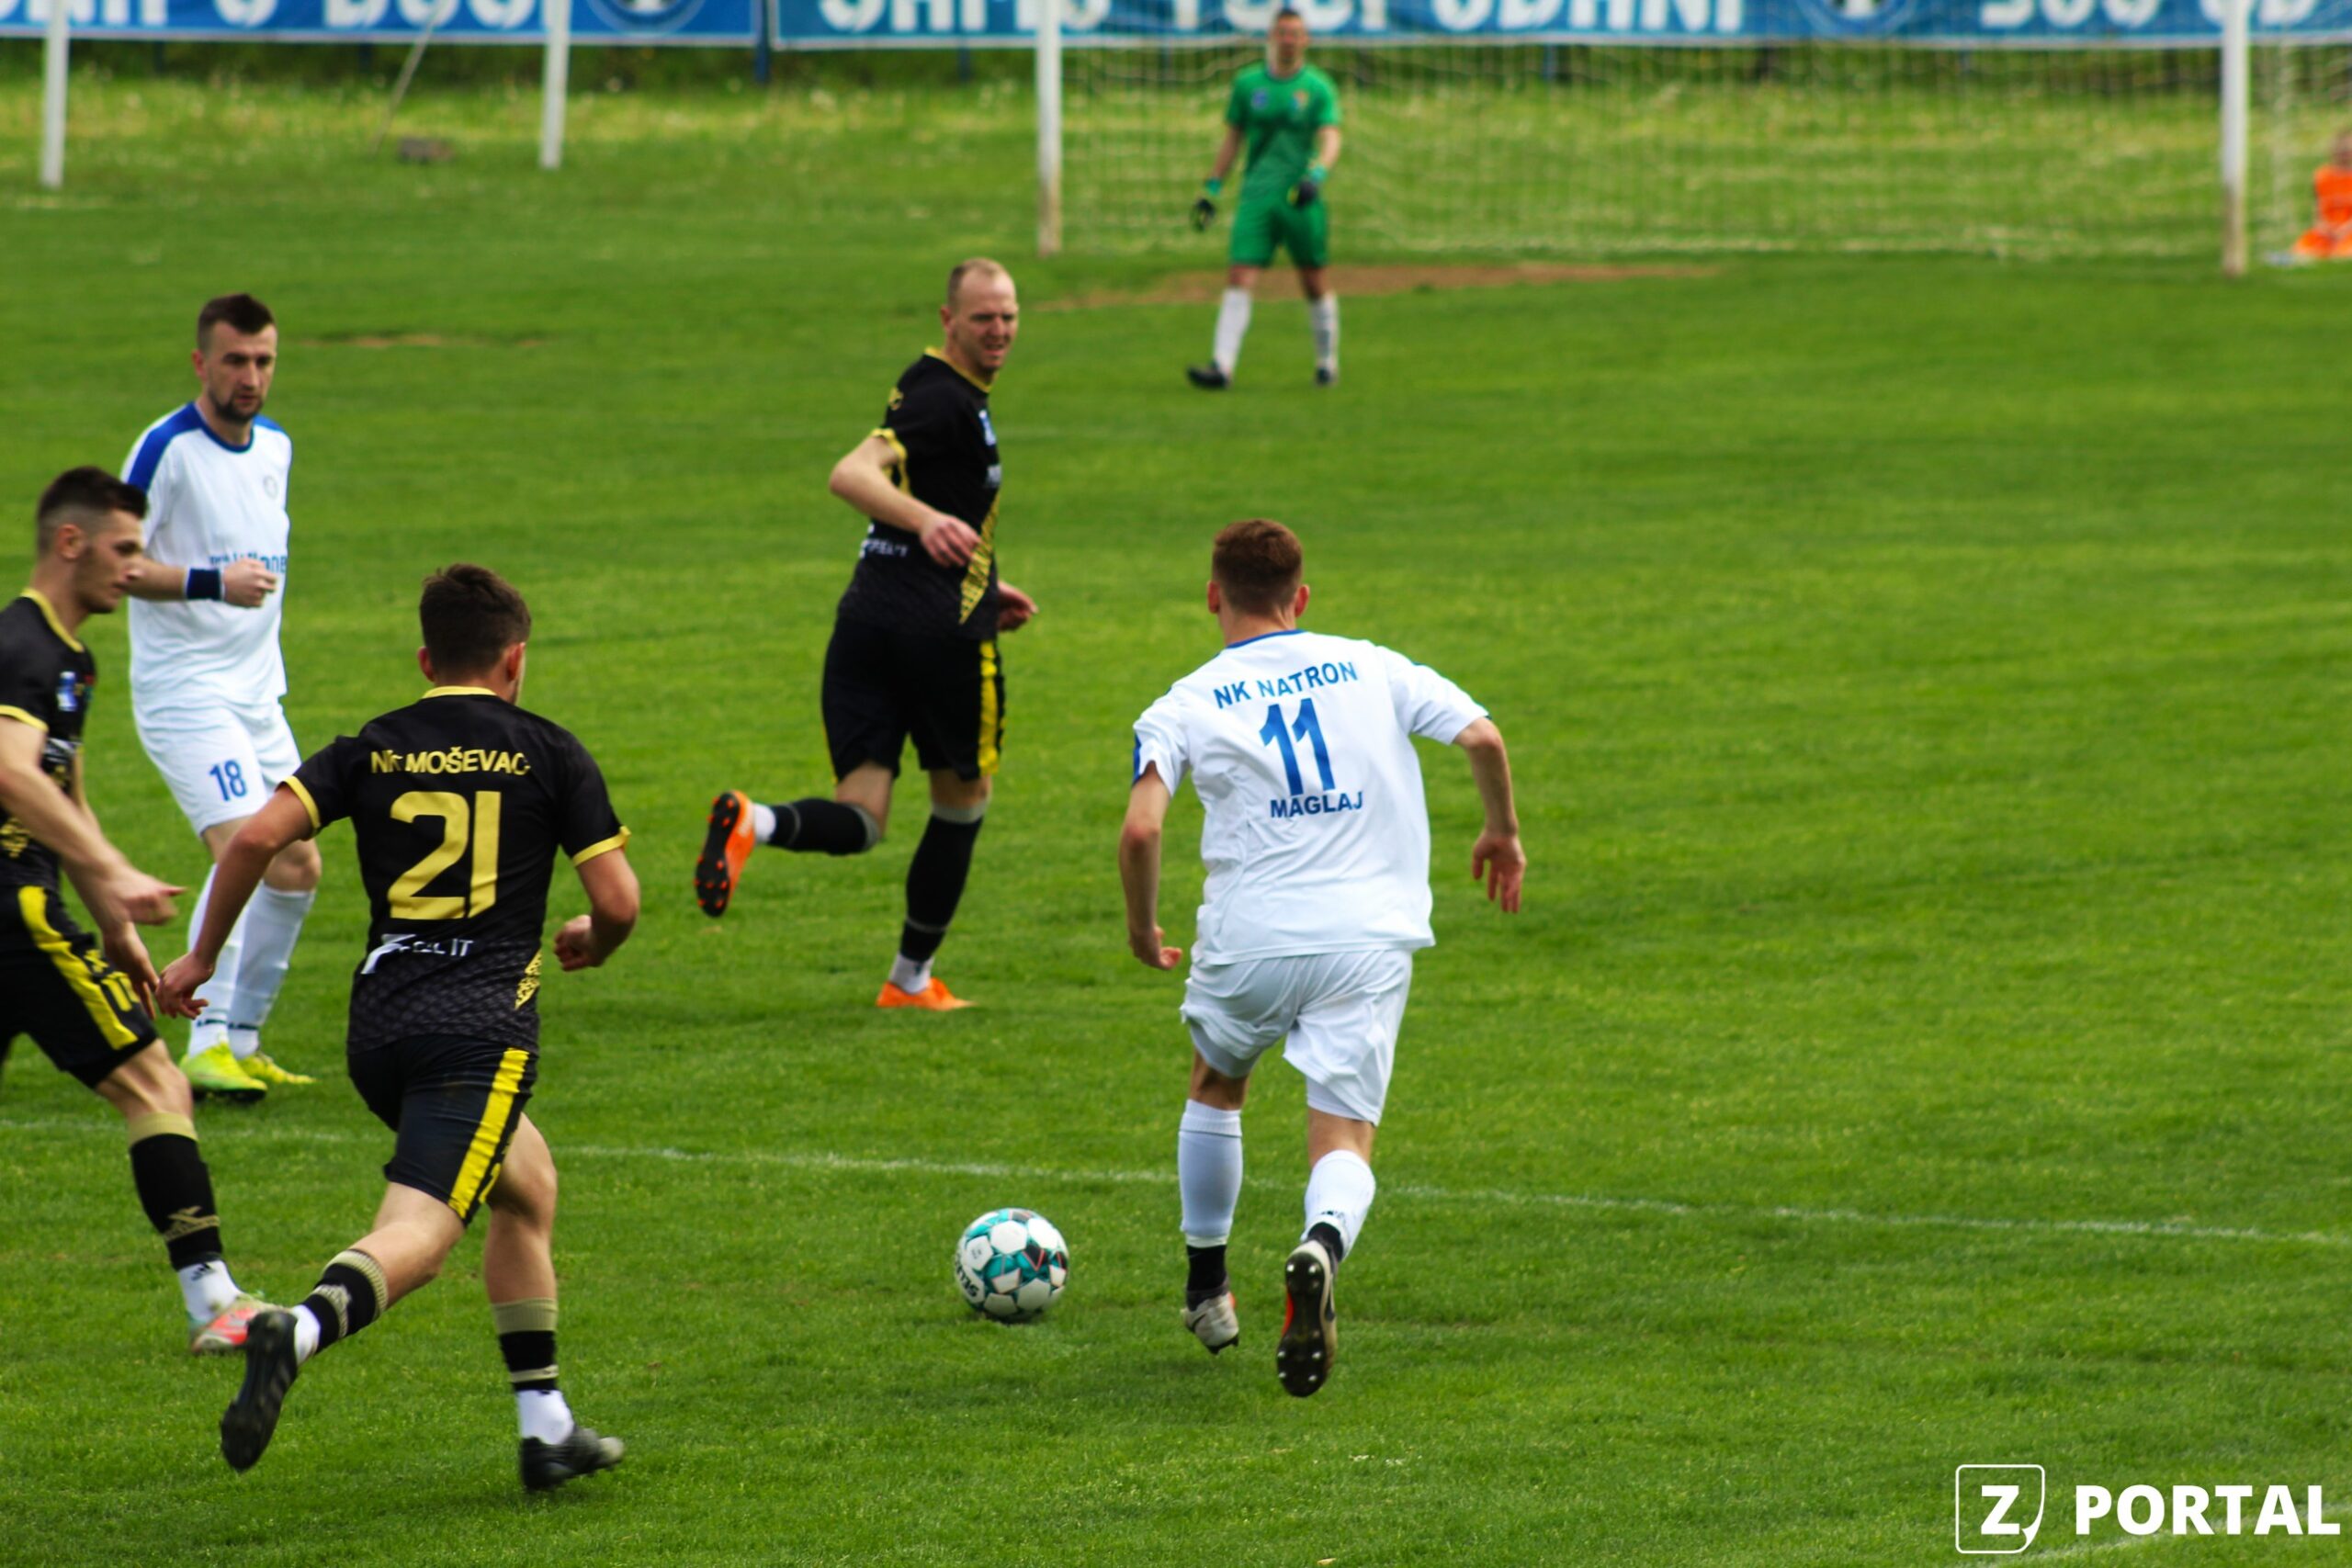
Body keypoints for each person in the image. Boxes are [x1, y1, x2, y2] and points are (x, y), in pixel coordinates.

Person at [157, 563, 640, 1490]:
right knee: (421, 1229)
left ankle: (545, 1426)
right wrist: (598, 938)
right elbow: (617, 900)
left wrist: (202, 958)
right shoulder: (548, 750)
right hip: (479, 1033)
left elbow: (254, 838)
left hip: (381, 1030)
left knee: (528, 1185)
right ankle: (296, 1330)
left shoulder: (371, 747)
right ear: (515, 660)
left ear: (426, 659)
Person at [1118, 519, 1525, 1397]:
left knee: (1216, 1083)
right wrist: (1501, 829)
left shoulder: (1183, 701)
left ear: (1213, 596)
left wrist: (1143, 928)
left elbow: (1142, 828)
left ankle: (1206, 1289)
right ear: (1300, 597)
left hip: (1251, 937)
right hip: (1368, 936)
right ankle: (1321, 1244)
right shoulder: (1372, 665)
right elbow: (1484, 738)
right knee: (1342, 1132)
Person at [695, 258, 1038, 1011]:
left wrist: (985, 579)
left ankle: (753, 821)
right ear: (949, 320)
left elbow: (931, 497)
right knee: (964, 801)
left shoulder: (931, 388)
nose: (999, 330)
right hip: (939, 636)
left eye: (1009, 315)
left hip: (867, 622)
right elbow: (850, 474)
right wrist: (932, 525)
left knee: (862, 817)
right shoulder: (944, 397)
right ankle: (910, 980)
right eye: (983, 317)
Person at [1, 467, 274, 1354]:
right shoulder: (22, 648)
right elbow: (9, 773)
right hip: (13, 911)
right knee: (156, 1084)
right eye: (123, 548)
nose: (134, 566)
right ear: (69, 542)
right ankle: (214, 1302)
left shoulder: (69, 658)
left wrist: (115, 927)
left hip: (29, 903)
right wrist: (113, 871)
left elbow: (64, 794)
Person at [124, 292, 319, 1102]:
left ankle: (242, 1037)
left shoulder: (276, 446)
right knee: (244, 842)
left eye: (264, 360)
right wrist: (211, 581)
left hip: (256, 694)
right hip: (185, 691)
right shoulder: (165, 450)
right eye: (236, 360)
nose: (251, 376)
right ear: (201, 362)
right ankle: (204, 1043)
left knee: (298, 863)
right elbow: (118, 562)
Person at [1185, 8, 1345, 389]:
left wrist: (1317, 175)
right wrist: (1211, 189)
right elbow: (1233, 140)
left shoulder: (1318, 87)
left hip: (1299, 196)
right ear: (1272, 37)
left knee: (1313, 280)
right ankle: (1222, 367)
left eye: (1295, 33)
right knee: (1239, 274)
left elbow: (1331, 137)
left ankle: (1327, 363)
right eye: (1282, 32)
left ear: (1305, 40)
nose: (1288, 40)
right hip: (1256, 195)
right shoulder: (1248, 84)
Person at [2288, 129, 2352, 263]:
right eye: (2341, 150)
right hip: (2327, 232)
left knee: (2345, 254)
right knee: (2300, 251)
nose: (2344, 154)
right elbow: (2318, 212)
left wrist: (2343, 231)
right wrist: (2325, 229)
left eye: (2347, 150)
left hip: (2348, 230)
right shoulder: (2322, 176)